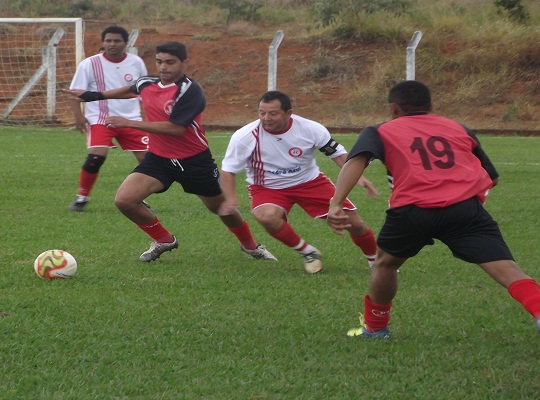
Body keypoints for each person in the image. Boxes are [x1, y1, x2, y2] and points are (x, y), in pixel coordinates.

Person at [327, 80, 540, 338]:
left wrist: (337, 203)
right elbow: (491, 178)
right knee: (508, 269)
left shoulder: (380, 131)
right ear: (431, 106)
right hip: (464, 210)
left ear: (394, 108)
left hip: (411, 211)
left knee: (385, 264)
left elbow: (357, 161)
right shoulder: (458, 128)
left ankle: (376, 328)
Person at [65, 41, 276, 263]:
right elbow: (130, 90)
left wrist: (128, 123)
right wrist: (92, 96)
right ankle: (164, 239)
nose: (164, 67)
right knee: (125, 200)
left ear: (184, 63)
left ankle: (251, 246)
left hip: (194, 161)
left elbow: (176, 128)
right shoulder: (147, 82)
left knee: (222, 209)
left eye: (170, 62)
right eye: (159, 62)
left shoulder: (190, 91)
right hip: (159, 159)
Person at [220, 90, 378, 274]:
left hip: (310, 183)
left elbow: (337, 154)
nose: (266, 118)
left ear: (289, 113)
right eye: (261, 113)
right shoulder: (245, 136)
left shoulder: (310, 129)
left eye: (273, 113)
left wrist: (359, 177)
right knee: (266, 216)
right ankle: (308, 252)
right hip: (267, 187)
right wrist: (230, 199)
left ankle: (376, 262)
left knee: (354, 223)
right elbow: (228, 169)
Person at [67, 26, 149, 212]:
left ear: (125, 43)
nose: (112, 44)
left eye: (117, 41)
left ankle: (137, 197)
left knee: (149, 163)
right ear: (103, 42)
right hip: (100, 119)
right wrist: (78, 116)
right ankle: (82, 198)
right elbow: (73, 93)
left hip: (131, 119)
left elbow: (145, 90)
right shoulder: (89, 64)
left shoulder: (136, 62)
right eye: (108, 41)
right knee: (96, 157)